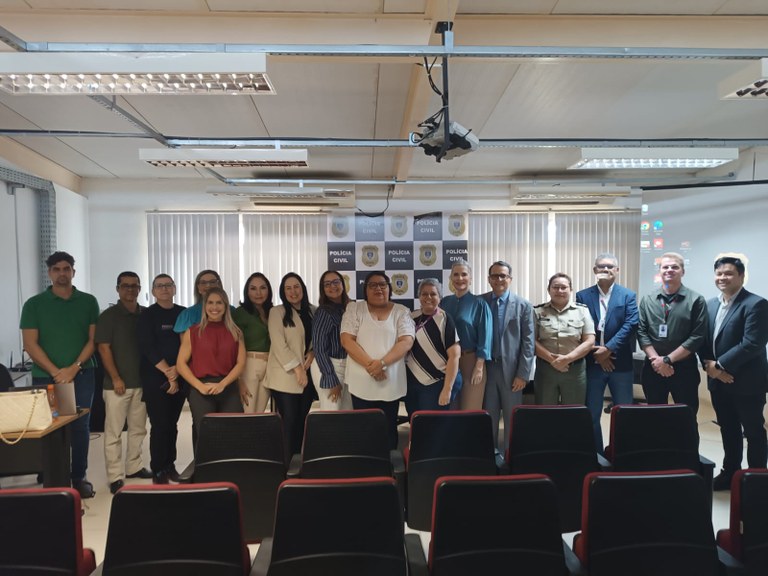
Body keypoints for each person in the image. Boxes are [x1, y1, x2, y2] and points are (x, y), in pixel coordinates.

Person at [20, 251, 100, 498]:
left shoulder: (88, 301)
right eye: (57, 269)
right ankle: (52, 473)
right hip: (46, 376)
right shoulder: (34, 304)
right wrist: (57, 372)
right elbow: (30, 344)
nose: (62, 273)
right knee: (49, 426)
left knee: (80, 426)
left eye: (66, 268)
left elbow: (93, 340)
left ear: (73, 272)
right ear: (49, 273)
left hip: (82, 373)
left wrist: (74, 368)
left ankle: (78, 477)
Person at [699, 256, 768, 491]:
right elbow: (704, 340)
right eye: (719, 273)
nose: (722, 278)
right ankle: (731, 473)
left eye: (728, 273)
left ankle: (756, 480)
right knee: (728, 429)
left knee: (754, 431)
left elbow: (753, 343)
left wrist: (720, 366)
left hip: (747, 382)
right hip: (719, 381)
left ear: (741, 276)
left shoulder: (756, 304)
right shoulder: (710, 304)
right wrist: (710, 367)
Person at [341, 271, 415, 449]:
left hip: (390, 380)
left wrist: (381, 364)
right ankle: (367, 468)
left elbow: (406, 341)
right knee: (363, 427)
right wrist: (371, 366)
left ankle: (390, 468)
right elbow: (346, 340)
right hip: (361, 381)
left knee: (388, 428)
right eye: (372, 285)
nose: (378, 289)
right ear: (365, 290)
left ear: (389, 289)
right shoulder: (354, 309)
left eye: (383, 285)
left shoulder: (401, 311)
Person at [576, 253, 639, 453]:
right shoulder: (582, 296)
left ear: (617, 270)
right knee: (592, 413)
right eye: (601, 267)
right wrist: (598, 353)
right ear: (595, 270)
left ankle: (621, 452)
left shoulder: (628, 295)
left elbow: (631, 324)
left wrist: (608, 349)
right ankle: (597, 454)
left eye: (610, 266)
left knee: (624, 412)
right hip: (593, 363)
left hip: (621, 364)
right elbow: (581, 327)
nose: (605, 269)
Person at [96, 271, 151, 494]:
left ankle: (134, 466)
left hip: (142, 383)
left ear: (139, 289)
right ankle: (115, 476)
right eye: (125, 286)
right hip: (116, 385)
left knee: (138, 429)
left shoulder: (146, 314)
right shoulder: (108, 316)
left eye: (134, 286)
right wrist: (116, 377)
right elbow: (103, 348)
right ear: (118, 289)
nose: (130, 289)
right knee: (114, 432)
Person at [637, 252, 708, 416]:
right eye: (665, 267)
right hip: (653, 368)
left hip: (684, 369)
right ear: (660, 271)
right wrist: (657, 361)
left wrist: (668, 360)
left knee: (686, 417)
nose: (669, 270)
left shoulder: (696, 300)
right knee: (655, 417)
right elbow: (641, 332)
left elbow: (697, 336)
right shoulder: (648, 299)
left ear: (683, 272)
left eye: (674, 267)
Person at [176, 287, 246, 441]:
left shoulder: (236, 332)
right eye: (210, 303)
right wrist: (199, 386)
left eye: (219, 303)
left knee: (234, 433)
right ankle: (207, 466)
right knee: (208, 436)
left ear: (225, 306)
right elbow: (180, 364)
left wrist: (223, 384)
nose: (214, 307)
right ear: (204, 306)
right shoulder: (193, 331)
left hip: (228, 386)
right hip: (201, 388)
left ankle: (231, 465)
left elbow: (240, 363)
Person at [481, 261, 535, 454]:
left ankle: (512, 458)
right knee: (488, 417)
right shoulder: (481, 302)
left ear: (510, 279)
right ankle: (490, 456)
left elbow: (529, 343)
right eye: (494, 276)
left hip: (512, 372)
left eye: (503, 276)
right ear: (489, 279)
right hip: (486, 370)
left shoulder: (524, 305)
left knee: (512, 418)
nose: (499, 279)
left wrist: (523, 374)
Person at [137, 274, 187, 484]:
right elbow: (148, 348)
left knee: (173, 424)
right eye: (160, 286)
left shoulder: (183, 313)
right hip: (155, 378)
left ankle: (170, 465)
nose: (164, 289)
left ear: (174, 288)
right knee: (160, 424)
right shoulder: (147, 316)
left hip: (181, 374)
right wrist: (169, 372)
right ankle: (157, 468)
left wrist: (177, 371)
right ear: (153, 290)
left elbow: (188, 344)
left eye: (168, 285)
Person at [266, 273, 316, 456]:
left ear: (302, 288)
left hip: (307, 373)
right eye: (288, 288)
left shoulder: (313, 310)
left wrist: (312, 352)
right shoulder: (276, 312)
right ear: (283, 291)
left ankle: (299, 461)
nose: (293, 291)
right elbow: (279, 345)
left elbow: (317, 340)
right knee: (290, 421)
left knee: (303, 421)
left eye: (296, 287)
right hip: (285, 376)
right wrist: (297, 369)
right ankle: (286, 466)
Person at [534, 273, 595, 405]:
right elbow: (531, 341)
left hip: (574, 370)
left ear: (570, 289)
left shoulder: (582, 311)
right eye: (555, 287)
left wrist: (567, 359)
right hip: (546, 370)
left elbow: (589, 340)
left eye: (563, 287)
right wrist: (553, 360)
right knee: (545, 412)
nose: (559, 291)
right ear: (548, 289)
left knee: (573, 412)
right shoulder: (537, 311)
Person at [440, 259, 492, 410]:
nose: (460, 278)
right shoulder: (444, 303)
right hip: (448, 361)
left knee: (470, 408)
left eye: (464, 274)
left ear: (470, 278)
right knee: (451, 407)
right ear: (450, 278)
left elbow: (485, 335)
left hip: (471, 361)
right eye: (456, 274)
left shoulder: (479, 304)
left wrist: (479, 365)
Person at [405, 278, 461, 415]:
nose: (428, 297)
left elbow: (454, 356)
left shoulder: (445, 319)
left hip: (436, 383)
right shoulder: (411, 317)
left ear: (440, 297)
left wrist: (447, 389)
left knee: (433, 424)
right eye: (424, 294)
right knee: (415, 420)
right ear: (419, 297)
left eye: (433, 294)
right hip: (412, 382)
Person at [310, 270, 353, 410]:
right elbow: (319, 348)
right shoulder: (323, 312)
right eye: (327, 284)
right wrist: (331, 379)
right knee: (331, 412)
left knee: (349, 411)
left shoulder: (352, 307)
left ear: (342, 283)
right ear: (323, 289)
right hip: (328, 365)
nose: (332, 286)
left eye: (336, 282)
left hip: (349, 366)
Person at [232, 272, 273, 413]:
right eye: (253, 288)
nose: (258, 293)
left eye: (263, 288)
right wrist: (239, 380)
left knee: (259, 413)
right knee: (248, 412)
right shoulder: (240, 313)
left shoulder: (273, 312)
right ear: (247, 291)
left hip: (270, 366)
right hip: (248, 365)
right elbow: (233, 347)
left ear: (269, 290)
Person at [173, 269, 224, 334]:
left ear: (219, 285)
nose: (208, 285)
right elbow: (186, 343)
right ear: (198, 288)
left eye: (212, 282)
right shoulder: (187, 315)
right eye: (203, 282)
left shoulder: (232, 311)